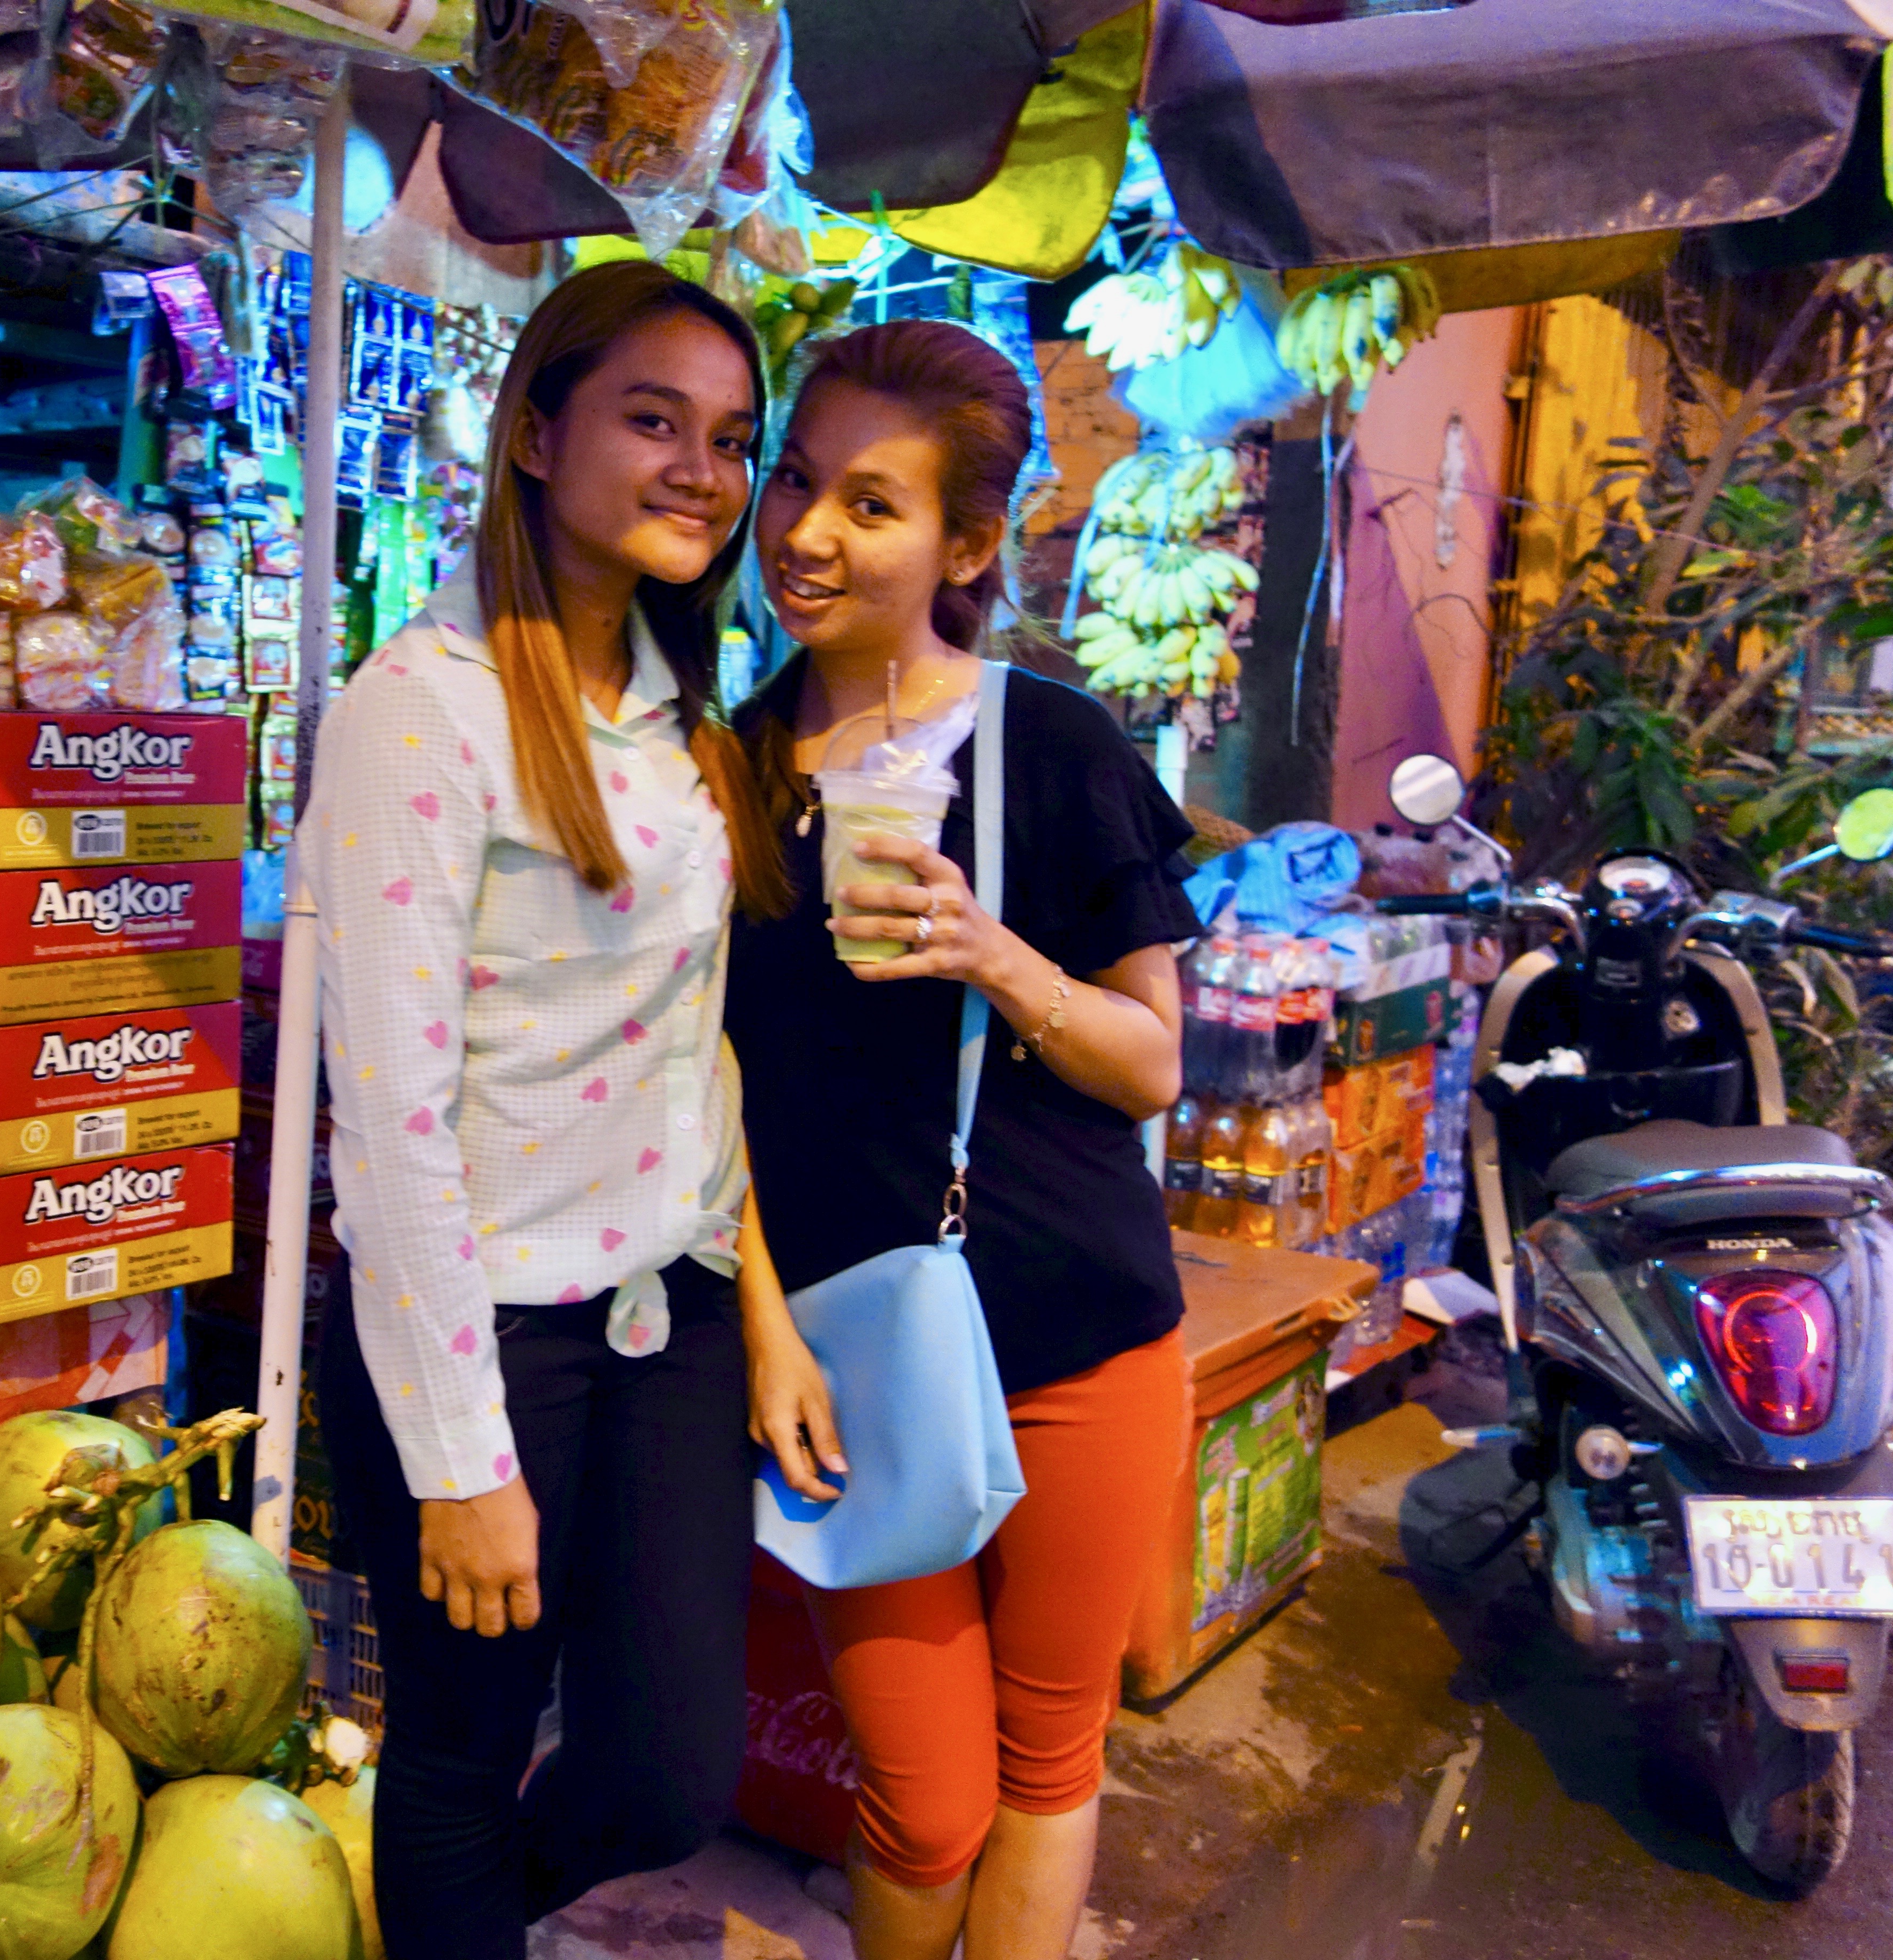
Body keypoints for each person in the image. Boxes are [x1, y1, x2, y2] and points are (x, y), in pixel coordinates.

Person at [302, 259, 793, 1960]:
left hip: (670, 1311)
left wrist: (760, 1303)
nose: (701, 472)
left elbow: (690, 1037)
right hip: (484, 1329)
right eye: (652, 419)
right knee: (459, 1746)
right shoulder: (420, 709)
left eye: (731, 439)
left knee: (670, 1772)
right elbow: (390, 1120)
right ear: (535, 433)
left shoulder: (676, 714)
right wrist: (459, 1460)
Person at [726, 318, 1202, 1960]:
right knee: (920, 1795)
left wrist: (995, 956)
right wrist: (763, 1322)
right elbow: (695, 1088)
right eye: (797, 481)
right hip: (851, 1356)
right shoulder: (721, 773)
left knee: (1047, 1762)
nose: (805, 531)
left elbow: (1150, 1067)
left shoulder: (1055, 749)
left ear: (968, 544)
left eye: (869, 502)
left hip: (1082, 1335)